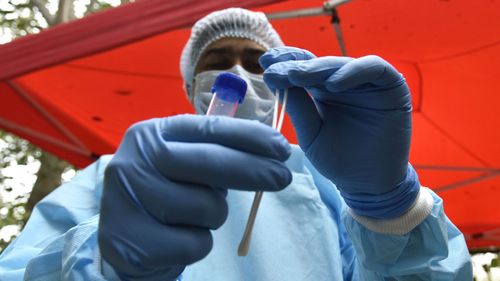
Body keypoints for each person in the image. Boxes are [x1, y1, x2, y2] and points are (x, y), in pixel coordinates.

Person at [0, 8, 472, 281]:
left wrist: (391, 211)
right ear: (191, 85)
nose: (239, 74)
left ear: (284, 84)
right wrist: (106, 265)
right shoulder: (119, 174)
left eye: (257, 60)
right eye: (219, 60)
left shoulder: (324, 185)